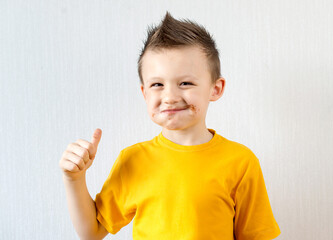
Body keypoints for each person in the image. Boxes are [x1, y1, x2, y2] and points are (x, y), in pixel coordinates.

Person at [59, 11, 281, 240]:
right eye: (157, 84)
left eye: (185, 82)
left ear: (216, 88)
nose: (170, 96)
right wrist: (74, 179)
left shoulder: (241, 162)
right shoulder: (132, 160)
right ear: (144, 93)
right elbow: (91, 232)